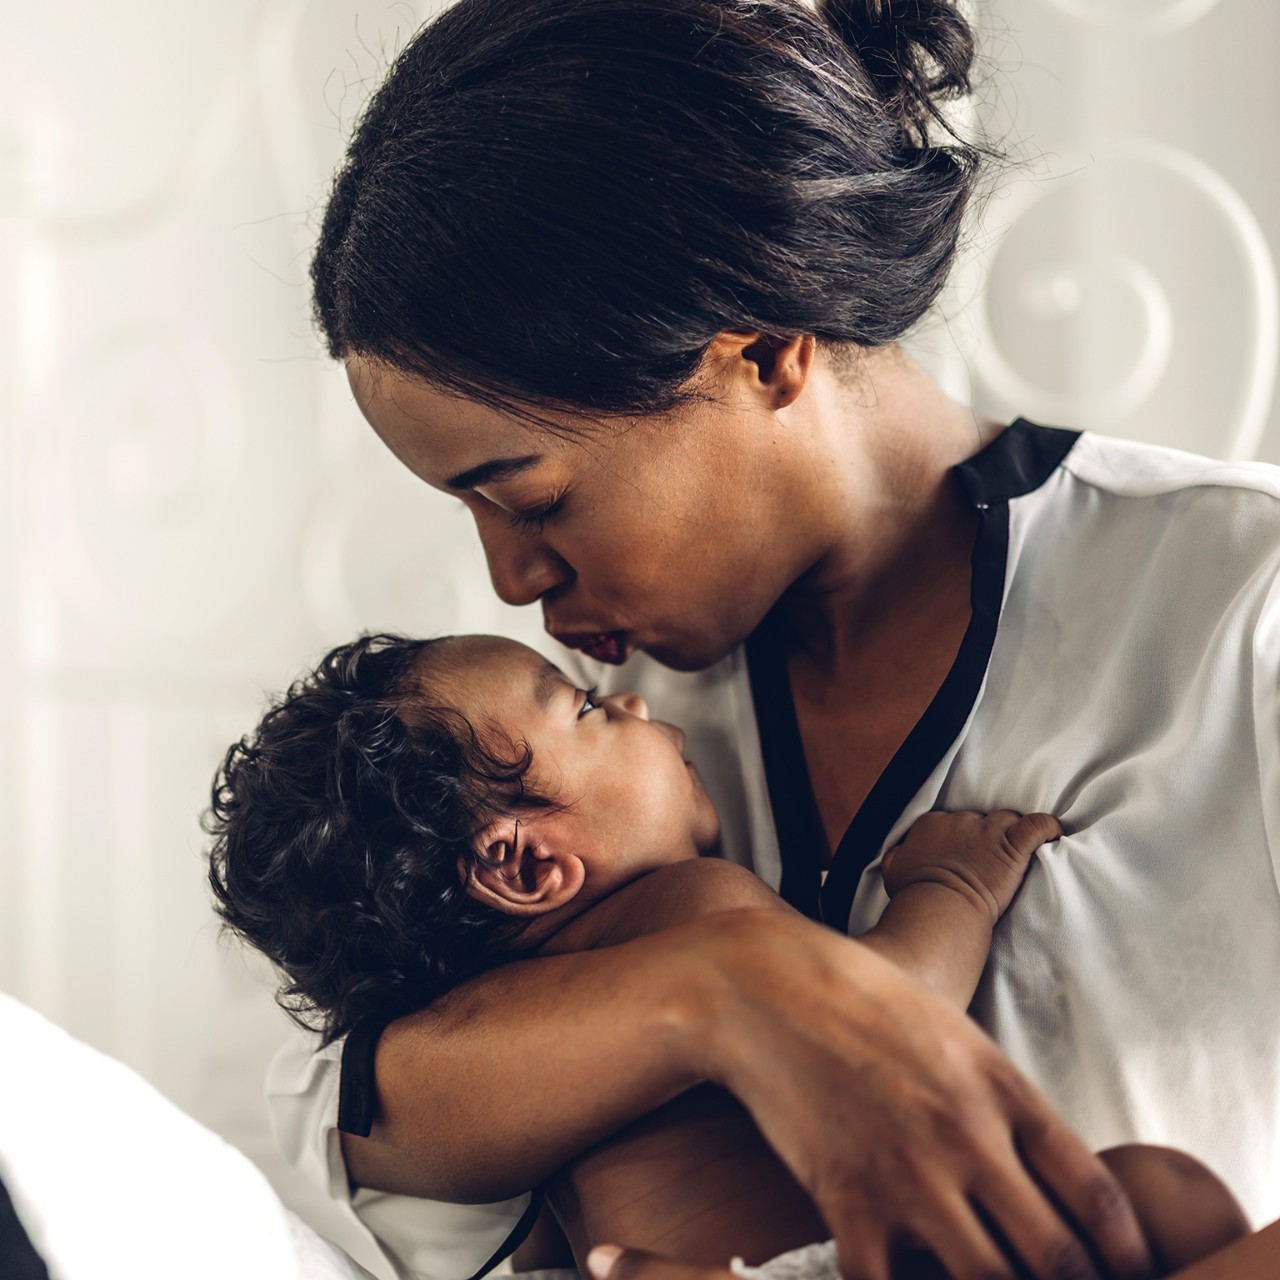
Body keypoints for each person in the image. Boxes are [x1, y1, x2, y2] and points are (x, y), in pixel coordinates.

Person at [265, 0, 1280, 1277]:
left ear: (766, 353)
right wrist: (726, 992)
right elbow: (348, 1107)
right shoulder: (574, 744)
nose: (511, 580)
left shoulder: (1241, 598)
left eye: (532, 498)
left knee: (1161, 1200)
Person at [209, 632, 1247, 1279]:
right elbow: (878, 1006)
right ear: (526, 865)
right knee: (1162, 1194)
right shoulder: (687, 906)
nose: (632, 701)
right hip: (843, 1263)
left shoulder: (497, 1045)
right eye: (582, 708)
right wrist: (954, 887)